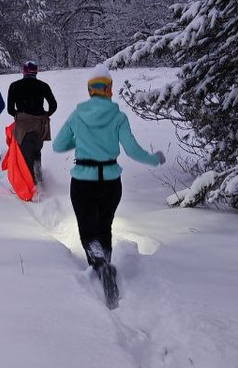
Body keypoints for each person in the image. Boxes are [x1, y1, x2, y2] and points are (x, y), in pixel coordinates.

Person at [52, 71, 165, 275]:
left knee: (87, 230)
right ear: (109, 90)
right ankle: (105, 265)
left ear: (90, 91)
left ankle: (98, 266)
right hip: (111, 182)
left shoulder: (77, 115)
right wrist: (153, 158)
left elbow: (58, 145)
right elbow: (132, 150)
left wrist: (80, 140)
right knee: (104, 228)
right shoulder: (119, 117)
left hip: (82, 182)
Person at [7, 60, 57, 185]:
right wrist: (46, 114)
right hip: (39, 125)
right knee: (36, 151)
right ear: (36, 71)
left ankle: (31, 185)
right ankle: (39, 177)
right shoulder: (43, 85)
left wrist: (17, 115)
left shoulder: (14, 86)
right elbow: (53, 105)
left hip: (23, 126)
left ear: (24, 71)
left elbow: (10, 109)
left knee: (25, 156)